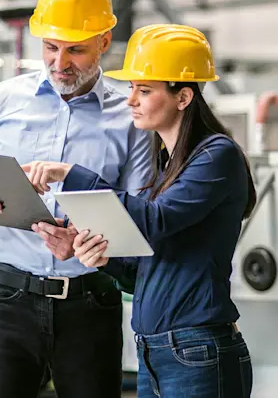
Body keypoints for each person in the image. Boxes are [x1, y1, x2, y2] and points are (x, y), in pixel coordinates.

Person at [0, 0, 153, 398]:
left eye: (75, 50)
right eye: (51, 47)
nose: (60, 64)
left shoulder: (131, 118)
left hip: (90, 303)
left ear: (104, 40)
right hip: (7, 298)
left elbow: (138, 222)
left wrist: (87, 240)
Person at [22, 23, 257, 398]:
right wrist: (98, 255)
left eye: (144, 90)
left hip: (197, 350)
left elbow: (155, 222)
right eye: (131, 88)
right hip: (156, 352)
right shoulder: (167, 165)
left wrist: (70, 173)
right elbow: (142, 271)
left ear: (183, 98)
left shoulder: (216, 155)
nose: (131, 99)